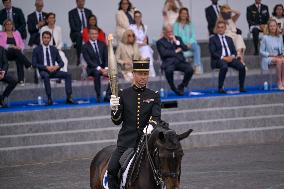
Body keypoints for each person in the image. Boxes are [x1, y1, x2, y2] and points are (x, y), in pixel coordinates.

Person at [107, 59, 161, 189]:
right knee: (112, 170)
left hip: (146, 143)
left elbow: (156, 116)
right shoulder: (123, 94)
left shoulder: (154, 95)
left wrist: (151, 126)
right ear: (133, 74)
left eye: (145, 74)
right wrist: (114, 109)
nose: (143, 77)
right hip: (126, 143)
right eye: (140, 74)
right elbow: (116, 121)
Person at [32, 31, 75, 105]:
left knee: (68, 75)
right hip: (44, 71)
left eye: (48, 38)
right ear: (42, 38)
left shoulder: (54, 49)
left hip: (54, 70)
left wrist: (56, 66)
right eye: (44, 37)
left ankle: (69, 97)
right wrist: (46, 67)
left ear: (50, 39)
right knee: (46, 76)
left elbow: (61, 63)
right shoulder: (37, 49)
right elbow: (34, 64)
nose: (46, 39)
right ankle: (49, 98)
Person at [209, 20, 246, 93]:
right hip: (218, 60)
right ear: (216, 29)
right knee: (224, 66)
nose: (220, 29)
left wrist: (232, 57)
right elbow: (213, 52)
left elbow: (234, 52)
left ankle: (241, 87)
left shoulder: (229, 39)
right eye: (218, 27)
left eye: (222, 27)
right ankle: (220, 88)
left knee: (242, 67)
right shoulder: (212, 39)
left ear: (225, 28)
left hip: (230, 58)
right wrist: (224, 57)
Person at [156, 24, 194, 96]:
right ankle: (173, 87)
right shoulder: (160, 42)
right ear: (164, 32)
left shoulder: (177, 39)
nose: (170, 33)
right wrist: (176, 51)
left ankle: (182, 85)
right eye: (168, 32)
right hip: (169, 63)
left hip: (180, 61)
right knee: (168, 71)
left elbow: (185, 48)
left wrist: (176, 42)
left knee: (190, 69)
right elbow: (164, 54)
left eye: (171, 32)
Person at [0, 19, 32, 85]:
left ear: (12, 25)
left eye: (10, 24)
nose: (9, 25)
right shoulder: (1, 34)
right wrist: (11, 46)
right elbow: (1, 44)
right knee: (15, 50)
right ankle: (28, 64)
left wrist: (20, 48)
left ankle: (21, 80)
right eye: (7, 24)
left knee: (19, 59)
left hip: (16, 53)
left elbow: (22, 44)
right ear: (4, 26)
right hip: (5, 54)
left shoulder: (16, 33)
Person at [82, 27, 109, 102]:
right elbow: (88, 61)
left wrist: (106, 68)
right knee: (97, 73)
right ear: (89, 35)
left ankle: (107, 95)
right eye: (92, 34)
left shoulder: (102, 44)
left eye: (96, 34)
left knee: (113, 74)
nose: (94, 35)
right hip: (92, 68)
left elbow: (106, 57)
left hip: (104, 68)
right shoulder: (85, 46)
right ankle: (98, 95)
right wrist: (100, 69)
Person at [173, 7, 203, 74]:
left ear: (187, 15)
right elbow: (175, 37)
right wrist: (183, 45)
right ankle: (196, 67)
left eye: (185, 13)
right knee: (196, 53)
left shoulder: (190, 24)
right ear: (180, 14)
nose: (184, 15)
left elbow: (193, 36)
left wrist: (189, 43)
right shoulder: (176, 25)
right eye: (182, 13)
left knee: (197, 47)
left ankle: (197, 66)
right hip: (181, 46)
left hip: (190, 45)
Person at [129, 10, 156, 77]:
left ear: (141, 17)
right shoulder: (131, 27)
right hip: (134, 46)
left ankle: (150, 74)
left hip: (143, 46)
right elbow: (132, 40)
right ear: (134, 18)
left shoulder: (144, 27)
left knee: (146, 49)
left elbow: (145, 40)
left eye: (139, 16)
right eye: (136, 17)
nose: (138, 18)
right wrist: (140, 44)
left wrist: (142, 44)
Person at [260, 19, 284, 90]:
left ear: (276, 27)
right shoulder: (265, 37)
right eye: (271, 26)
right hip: (268, 57)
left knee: (282, 59)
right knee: (280, 61)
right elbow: (261, 51)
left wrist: (282, 54)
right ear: (268, 27)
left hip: (279, 56)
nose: (273, 27)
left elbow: (282, 49)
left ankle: (283, 81)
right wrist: (270, 55)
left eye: (274, 26)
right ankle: (279, 82)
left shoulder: (279, 37)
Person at [68, 0, 93, 65]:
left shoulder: (89, 11)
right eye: (79, 1)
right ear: (76, 2)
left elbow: (92, 23)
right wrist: (83, 32)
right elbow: (72, 26)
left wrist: (89, 31)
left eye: (83, 1)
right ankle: (79, 57)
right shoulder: (71, 12)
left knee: (95, 34)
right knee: (79, 36)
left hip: (88, 32)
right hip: (76, 32)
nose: (81, 3)